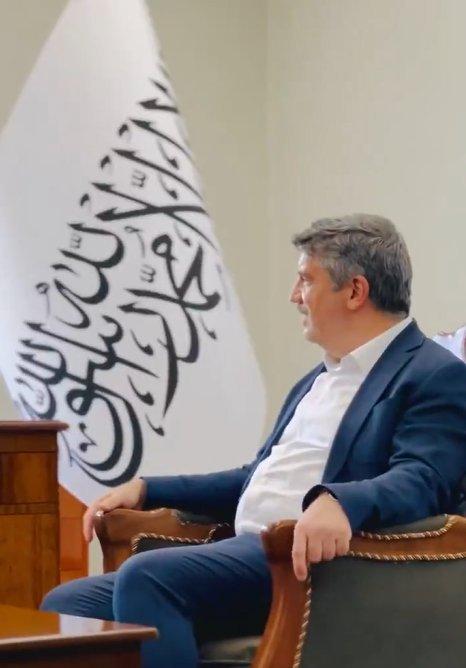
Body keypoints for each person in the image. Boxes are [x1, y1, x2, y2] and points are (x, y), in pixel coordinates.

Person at [42, 214, 466, 668]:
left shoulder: (434, 374)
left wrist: (340, 501)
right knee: (66, 605)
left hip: (318, 567)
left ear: (355, 291)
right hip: (250, 554)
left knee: (148, 578)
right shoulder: (320, 377)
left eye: (306, 280)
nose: (294, 295)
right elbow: (254, 477)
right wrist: (148, 489)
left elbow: (423, 478)